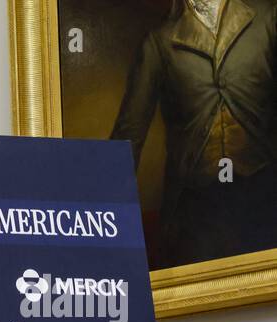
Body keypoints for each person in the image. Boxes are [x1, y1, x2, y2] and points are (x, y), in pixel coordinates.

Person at [110, 0, 277, 267]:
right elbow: (128, 135)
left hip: (266, 197)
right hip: (196, 211)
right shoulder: (159, 42)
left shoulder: (268, 18)